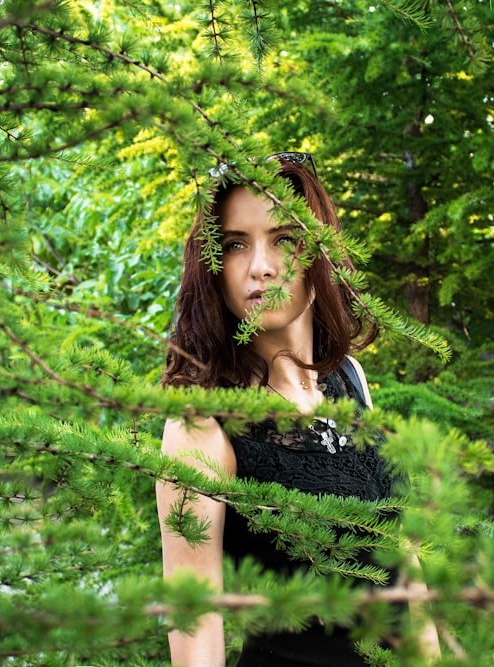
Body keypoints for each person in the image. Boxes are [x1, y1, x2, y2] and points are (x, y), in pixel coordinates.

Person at [156, 152, 434, 666]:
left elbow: (406, 570)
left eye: (285, 239)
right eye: (236, 244)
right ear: (213, 267)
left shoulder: (349, 378)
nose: (261, 266)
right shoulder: (202, 425)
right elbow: (196, 629)